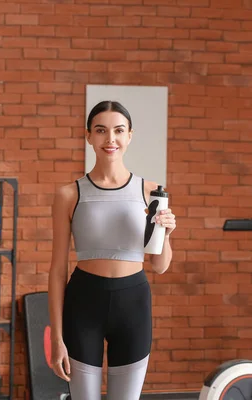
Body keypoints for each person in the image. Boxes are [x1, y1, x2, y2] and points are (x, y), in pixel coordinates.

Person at [47, 100, 177, 400]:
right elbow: (57, 269)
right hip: (83, 304)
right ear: (88, 136)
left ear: (130, 135)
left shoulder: (151, 191)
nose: (110, 139)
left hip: (133, 304)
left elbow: (159, 265)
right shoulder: (69, 194)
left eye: (119, 131)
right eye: (101, 130)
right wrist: (56, 338)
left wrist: (167, 234)